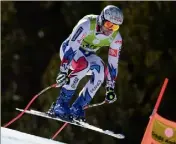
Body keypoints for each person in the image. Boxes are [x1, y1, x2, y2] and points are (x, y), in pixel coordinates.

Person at [47, 5, 123, 122]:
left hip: (88, 55)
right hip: (69, 51)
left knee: (101, 70)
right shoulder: (87, 24)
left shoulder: (116, 37)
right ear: (102, 19)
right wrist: (63, 70)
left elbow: (113, 63)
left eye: (115, 27)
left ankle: (77, 108)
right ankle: (60, 104)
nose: (110, 29)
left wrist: (110, 88)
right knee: (83, 65)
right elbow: (72, 48)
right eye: (109, 25)